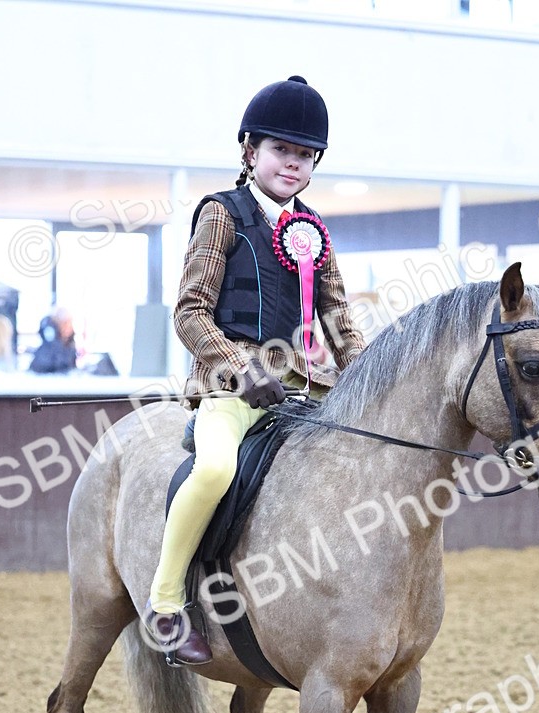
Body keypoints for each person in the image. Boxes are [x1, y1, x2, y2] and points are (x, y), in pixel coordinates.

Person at [144, 75, 365, 664]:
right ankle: (166, 605)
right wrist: (242, 368)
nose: (292, 164)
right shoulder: (221, 215)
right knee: (216, 469)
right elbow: (190, 313)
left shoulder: (312, 229)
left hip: (302, 390)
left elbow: (337, 313)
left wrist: (368, 373)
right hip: (231, 390)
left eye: (304, 155)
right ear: (250, 151)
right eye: (281, 151)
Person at [29, 306, 77, 373]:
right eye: (64, 323)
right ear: (57, 325)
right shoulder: (46, 351)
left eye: (70, 323)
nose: (68, 328)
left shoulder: (70, 346)